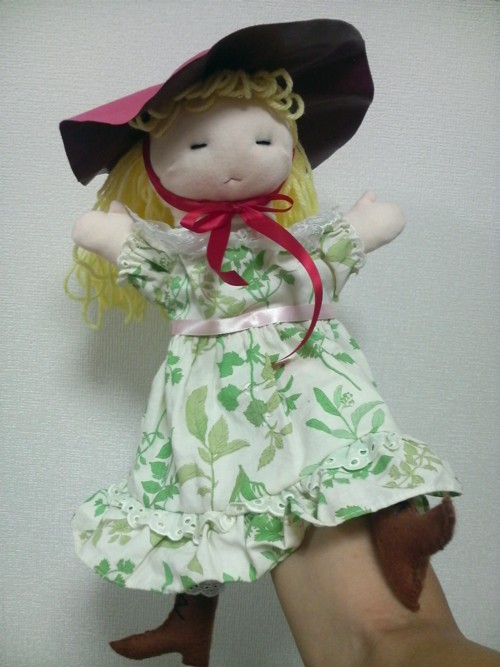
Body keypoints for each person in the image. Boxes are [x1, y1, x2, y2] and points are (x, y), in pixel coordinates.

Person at [61, 19, 495, 667]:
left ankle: (400, 523)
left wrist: (359, 229)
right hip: (212, 393)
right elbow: (154, 271)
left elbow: (315, 266)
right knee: (200, 491)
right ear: (154, 165)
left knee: (350, 429)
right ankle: (191, 616)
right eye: (199, 144)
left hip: (302, 364)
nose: (236, 158)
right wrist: (118, 239)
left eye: (263, 139)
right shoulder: (185, 258)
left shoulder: (283, 245)